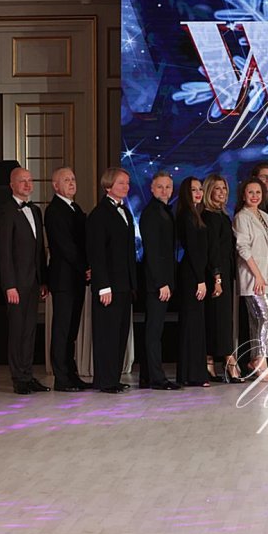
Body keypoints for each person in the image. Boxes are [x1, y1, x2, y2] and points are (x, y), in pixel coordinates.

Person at [0, 167, 49, 395]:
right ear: (12, 185)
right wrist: (9, 285)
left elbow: (39, 250)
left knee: (29, 331)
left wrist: (43, 280)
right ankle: (18, 378)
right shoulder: (7, 212)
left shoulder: (35, 210)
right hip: (16, 284)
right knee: (18, 331)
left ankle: (28, 375)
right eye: (22, 181)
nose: (28, 185)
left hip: (33, 282)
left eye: (30, 180)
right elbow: (4, 253)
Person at [86, 168, 136, 393]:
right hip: (109, 286)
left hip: (124, 284)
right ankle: (105, 380)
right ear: (108, 186)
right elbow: (97, 253)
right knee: (107, 333)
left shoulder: (125, 211)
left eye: (127, 183)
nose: (126, 187)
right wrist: (103, 286)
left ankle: (113, 378)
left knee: (119, 334)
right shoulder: (100, 214)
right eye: (121, 183)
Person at [44, 167, 90, 392]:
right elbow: (65, 247)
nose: (72, 183)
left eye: (73, 179)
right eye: (66, 180)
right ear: (56, 186)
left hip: (77, 278)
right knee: (62, 330)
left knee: (71, 330)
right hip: (63, 280)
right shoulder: (54, 211)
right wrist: (85, 267)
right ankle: (61, 378)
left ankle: (71, 374)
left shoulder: (75, 208)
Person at [234, 178, 268, 378]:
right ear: (243, 195)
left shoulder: (265, 216)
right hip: (252, 276)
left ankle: (257, 360)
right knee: (266, 316)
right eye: (250, 192)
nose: (254, 196)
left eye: (258, 192)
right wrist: (259, 276)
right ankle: (260, 362)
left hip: (266, 275)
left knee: (261, 320)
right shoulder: (241, 217)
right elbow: (243, 248)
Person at [138, 172, 181, 390]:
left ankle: (147, 376)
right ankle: (156, 377)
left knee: (154, 329)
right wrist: (161, 282)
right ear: (152, 189)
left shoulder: (163, 211)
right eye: (160, 187)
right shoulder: (151, 213)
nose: (165, 191)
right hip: (157, 282)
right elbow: (153, 252)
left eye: (168, 187)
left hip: (162, 280)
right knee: (154, 331)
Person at [202, 174, 239, 382]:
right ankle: (225, 361)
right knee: (217, 318)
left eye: (224, 188)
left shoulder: (223, 216)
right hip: (215, 275)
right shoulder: (209, 217)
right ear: (209, 191)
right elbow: (212, 249)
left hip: (225, 272)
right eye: (217, 188)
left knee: (222, 319)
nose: (222, 192)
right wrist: (217, 278)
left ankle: (214, 361)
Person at [175, 177, 210, 388]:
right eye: (193, 190)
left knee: (195, 323)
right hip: (192, 275)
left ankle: (192, 373)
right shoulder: (186, 216)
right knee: (191, 323)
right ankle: (191, 374)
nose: (198, 193)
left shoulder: (196, 214)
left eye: (200, 189)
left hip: (195, 273)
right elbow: (193, 250)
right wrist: (200, 280)